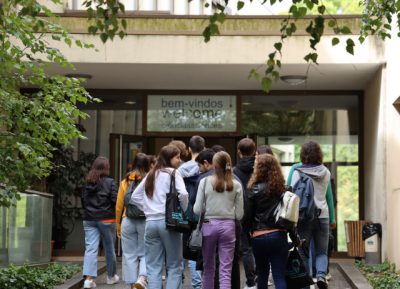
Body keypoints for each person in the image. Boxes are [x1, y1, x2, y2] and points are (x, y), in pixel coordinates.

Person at [131, 145, 189, 289]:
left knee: (153, 267)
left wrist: (148, 209)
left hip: (151, 223)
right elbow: (183, 194)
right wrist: (182, 211)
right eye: (177, 157)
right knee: (174, 266)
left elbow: (134, 196)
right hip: (169, 223)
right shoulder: (173, 173)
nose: (179, 160)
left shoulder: (152, 173)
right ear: (169, 158)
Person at [245, 154, 300, 289]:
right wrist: (295, 238)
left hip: (258, 237)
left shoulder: (253, 189)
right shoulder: (283, 190)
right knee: (279, 276)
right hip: (278, 236)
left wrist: (248, 236)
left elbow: (247, 217)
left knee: (262, 275)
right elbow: (290, 218)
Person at [194, 151, 244, 289]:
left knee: (208, 267)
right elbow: (239, 215)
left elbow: (197, 210)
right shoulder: (236, 185)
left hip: (208, 226)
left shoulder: (204, 182)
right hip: (229, 227)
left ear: (214, 164)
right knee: (225, 270)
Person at [289, 141, 333, 289]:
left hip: (304, 217)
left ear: (303, 155)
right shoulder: (326, 172)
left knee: (303, 251)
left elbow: (292, 193)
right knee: (322, 251)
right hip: (323, 216)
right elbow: (327, 195)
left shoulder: (297, 171)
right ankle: (321, 276)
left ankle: (305, 284)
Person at [81, 156, 119, 289]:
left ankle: (88, 280)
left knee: (91, 249)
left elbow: (83, 200)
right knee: (109, 248)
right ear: (106, 168)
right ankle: (111, 277)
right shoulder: (111, 182)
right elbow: (115, 200)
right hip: (107, 219)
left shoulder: (88, 182)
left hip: (89, 219)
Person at [116, 153, 150, 289]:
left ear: (133, 164)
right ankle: (142, 278)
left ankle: (132, 285)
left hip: (127, 219)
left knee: (129, 254)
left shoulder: (125, 181)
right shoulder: (149, 180)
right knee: (145, 252)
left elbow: (119, 206)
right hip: (145, 220)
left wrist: (118, 225)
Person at [178, 135, 205, 289]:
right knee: (196, 250)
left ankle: (178, 283)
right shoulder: (206, 168)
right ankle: (197, 285)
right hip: (200, 214)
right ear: (204, 148)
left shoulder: (181, 169)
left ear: (189, 149)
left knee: (180, 252)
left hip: (183, 214)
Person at [233, 138, 257, 289]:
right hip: (259, 212)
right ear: (255, 151)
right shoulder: (259, 169)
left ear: (238, 152)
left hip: (241, 212)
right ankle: (260, 279)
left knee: (246, 249)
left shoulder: (234, 171)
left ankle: (250, 282)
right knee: (258, 247)